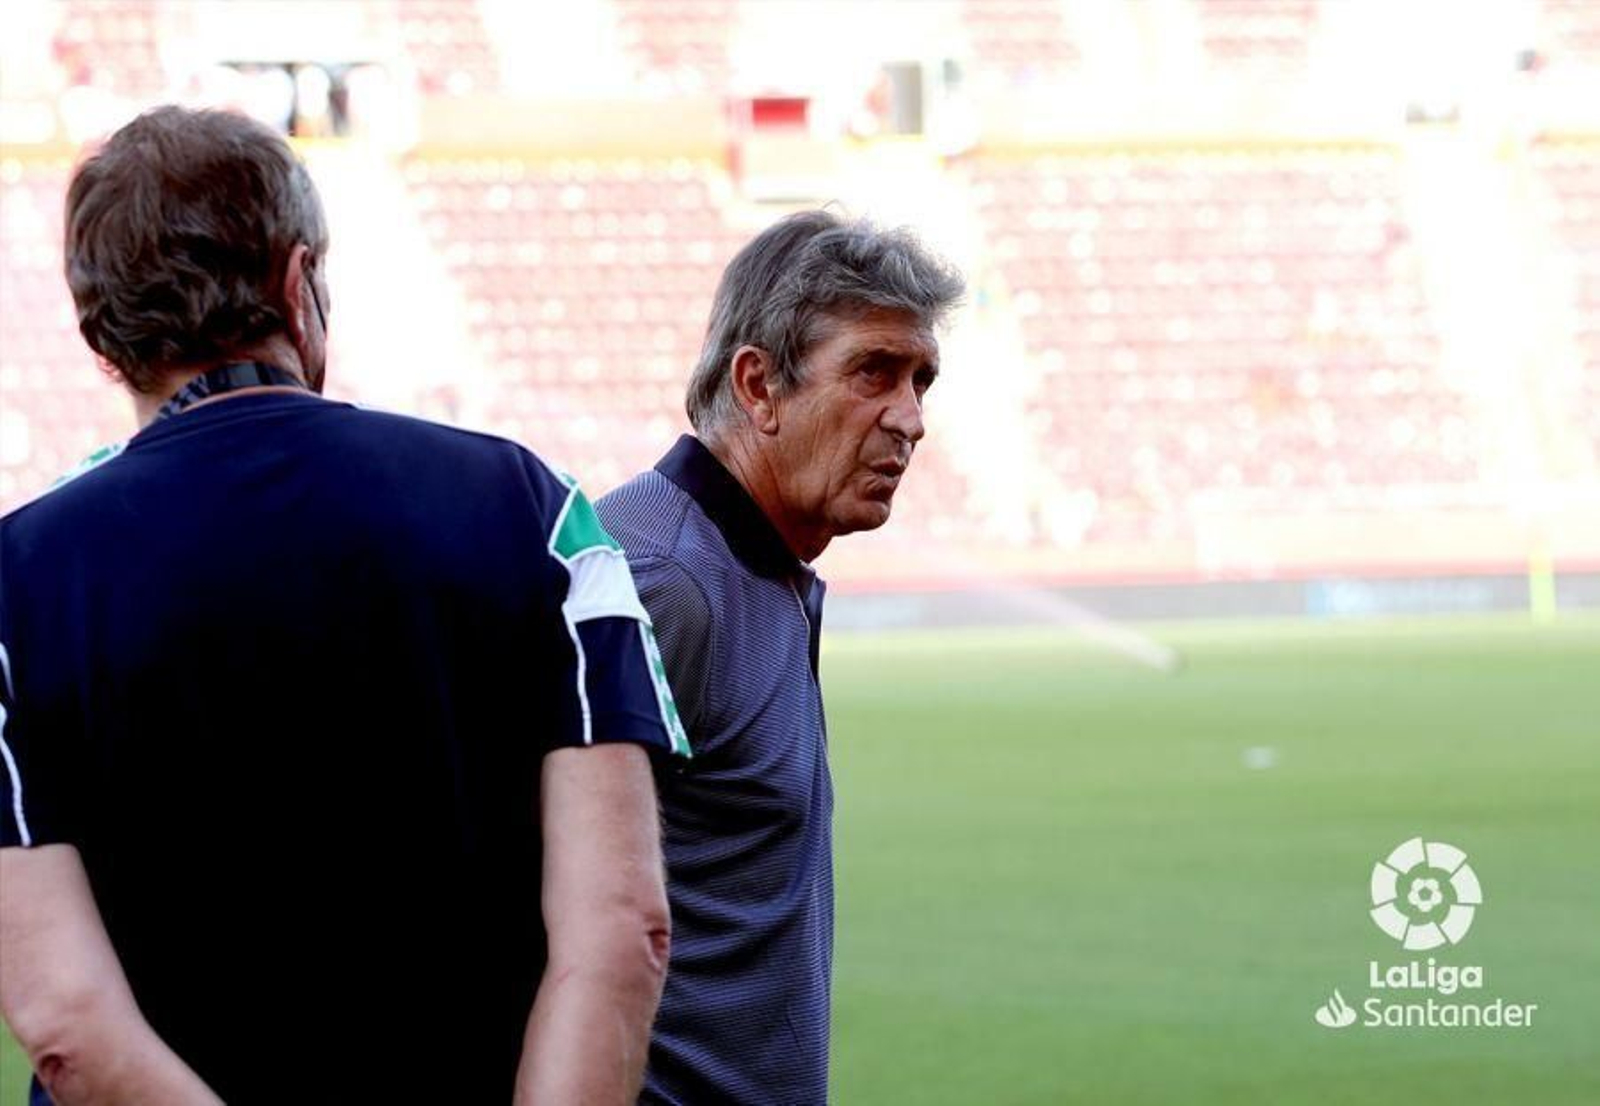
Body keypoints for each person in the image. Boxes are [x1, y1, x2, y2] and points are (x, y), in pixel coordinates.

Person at [0, 105, 688, 1105]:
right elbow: (624, 928)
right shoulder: (535, 508)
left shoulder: (19, 579)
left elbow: (66, 1020)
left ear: (101, 335)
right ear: (295, 281)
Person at [597, 210, 964, 1104]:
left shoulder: (755, 565)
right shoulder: (661, 583)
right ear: (758, 386)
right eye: (873, 372)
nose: (910, 420)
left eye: (921, 380)